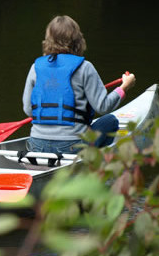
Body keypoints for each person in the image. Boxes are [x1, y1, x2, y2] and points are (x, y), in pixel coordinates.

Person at [22, 15, 136, 154]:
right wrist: (124, 87)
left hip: (36, 144)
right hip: (70, 147)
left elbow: (28, 110)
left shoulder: (35, 67)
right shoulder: (85, 67)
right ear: (78, 41)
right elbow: (103, 106)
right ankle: (93, 163)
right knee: (110, 121)